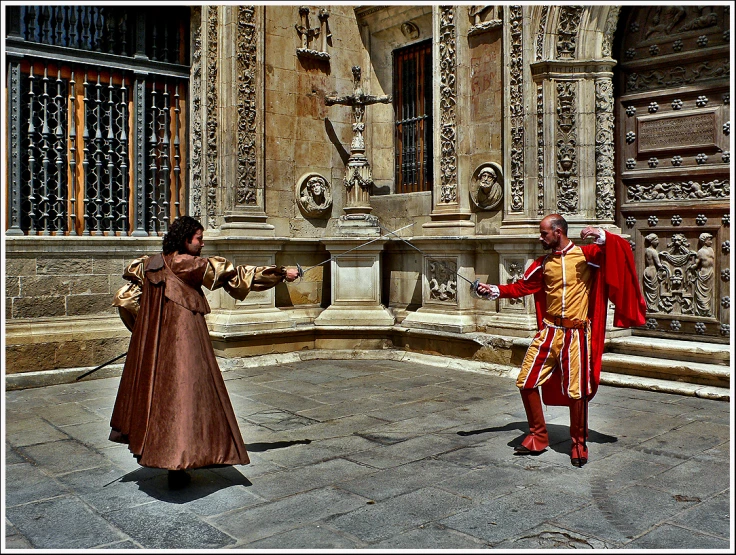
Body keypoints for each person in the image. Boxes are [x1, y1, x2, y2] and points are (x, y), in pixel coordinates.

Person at [110, 216, 299, 487]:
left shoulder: (149, 264)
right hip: (185, 343)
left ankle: (166, 458)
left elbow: (125, 299)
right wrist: (281, 273)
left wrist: (144, 330)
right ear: (186, 239)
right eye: (199, 238)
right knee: (185, 397)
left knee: (161, 397)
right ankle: (178, 462)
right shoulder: (190, 264)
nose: (202, 244)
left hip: (156, 347)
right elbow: (236, 276)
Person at [476, 214, 646, 467]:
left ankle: (578, 442)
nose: (540, 237)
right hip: (550, 332)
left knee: (577, 392)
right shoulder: (543, 264)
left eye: (544, 233)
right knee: (526, 381)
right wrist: (495, 290)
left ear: (558, 232)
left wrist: (603, 235)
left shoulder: (588, 256)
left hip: (577, 334)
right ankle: (538, 436)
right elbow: (522, 287)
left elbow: (620, 256)